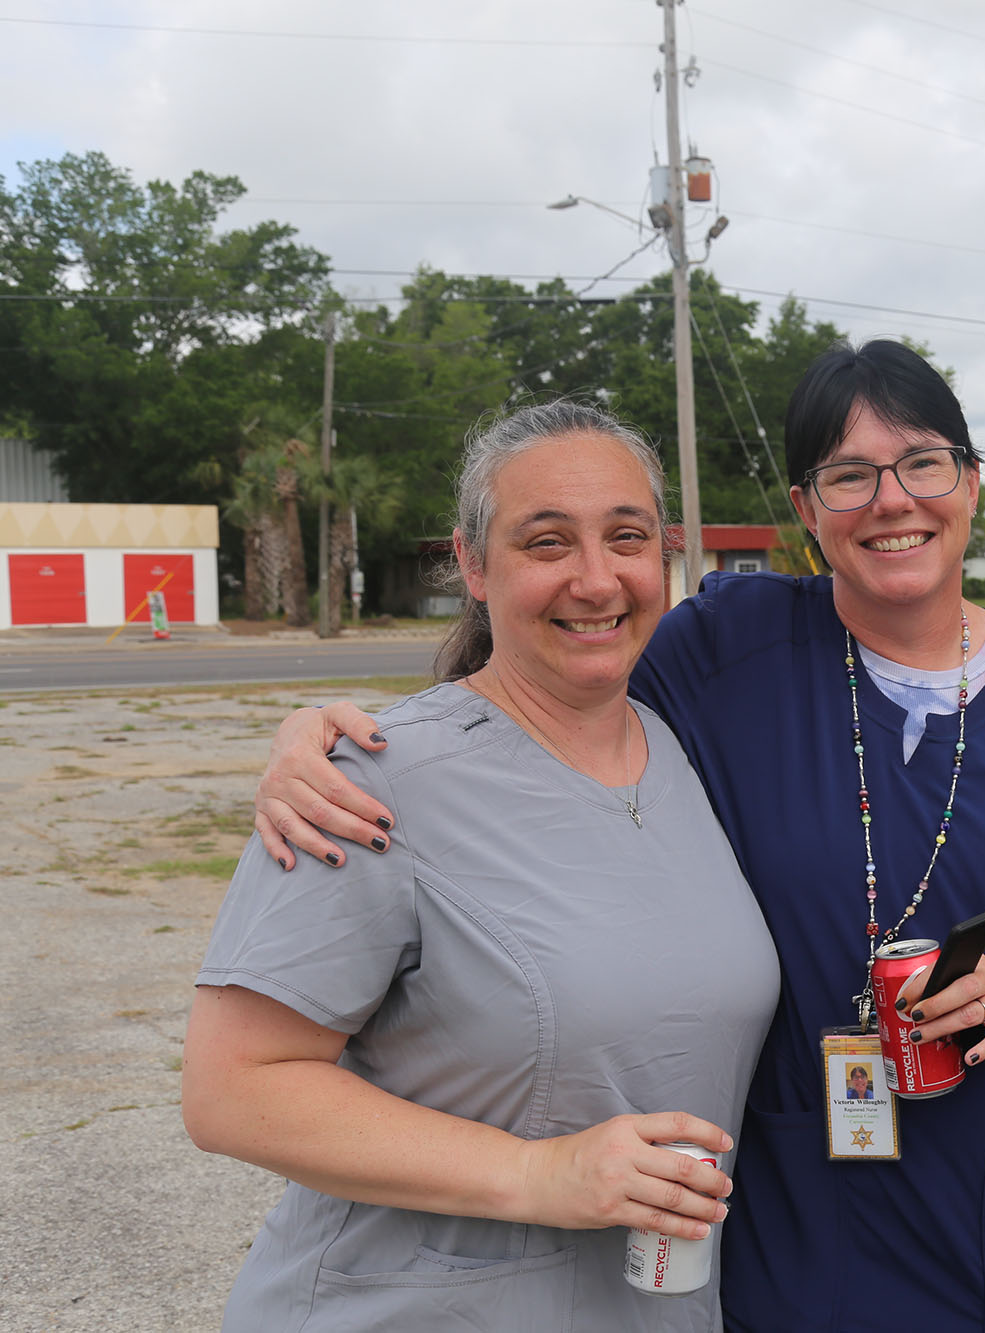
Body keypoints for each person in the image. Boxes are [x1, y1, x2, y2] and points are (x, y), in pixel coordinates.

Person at [248, 340, 985, 1332]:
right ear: (804, 509)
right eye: (848, 475)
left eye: (922, 463)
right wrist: (337, 740)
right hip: (807, 1222)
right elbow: (546, 681)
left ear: (971, 482)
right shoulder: (726, 648)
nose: (891, 499)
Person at [181, 402, 781, 1331]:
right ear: (471, 563)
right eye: (546, 542)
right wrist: (539, 1173)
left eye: (626, 536)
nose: (595, 577)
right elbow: (232, 1088)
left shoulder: (680, 746)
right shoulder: (372, 777)